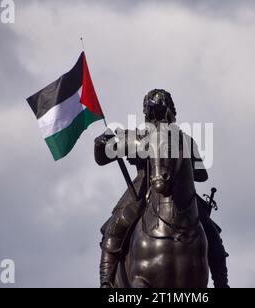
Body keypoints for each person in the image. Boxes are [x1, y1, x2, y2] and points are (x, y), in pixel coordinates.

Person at [95, 89, 229, 288]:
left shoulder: (183, 139)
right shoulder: (137, 136)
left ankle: (221, 283)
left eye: (162, 110)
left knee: (210, 230)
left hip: (180, 192)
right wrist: (101, 143)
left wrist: (183, 164)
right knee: (117, 225)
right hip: (143, 189)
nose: (160, 116)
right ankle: (106, 282)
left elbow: (201, 174)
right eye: (156, 111)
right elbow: (102, 157)